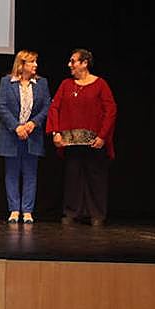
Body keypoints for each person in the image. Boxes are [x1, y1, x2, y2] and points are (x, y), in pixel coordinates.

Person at [47, 49, 117, 226]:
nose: (70, 65)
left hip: (94, 141)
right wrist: (55, 132)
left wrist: (103, 136)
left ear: (85, 63)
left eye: (73, 61)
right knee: (73, 176)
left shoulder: (100, 84)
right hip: (71, 141)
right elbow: (54, 108)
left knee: (95, 177)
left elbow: (111, 111)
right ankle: (72, 212)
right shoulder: (66, 85)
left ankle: (97, 214)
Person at [0, 50, 50, 224]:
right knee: (11, 173)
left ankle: (27, 211)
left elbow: (46, 105)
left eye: (36, 62)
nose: (35, 65)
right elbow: (1, 106)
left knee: (30, 173)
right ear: (21, 64)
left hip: (32, 135)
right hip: (11, 135)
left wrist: (33, 124)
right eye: (32, 62)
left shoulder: (41, 83)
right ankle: (14, 210)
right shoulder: (7, 82)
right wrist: (16, 127)